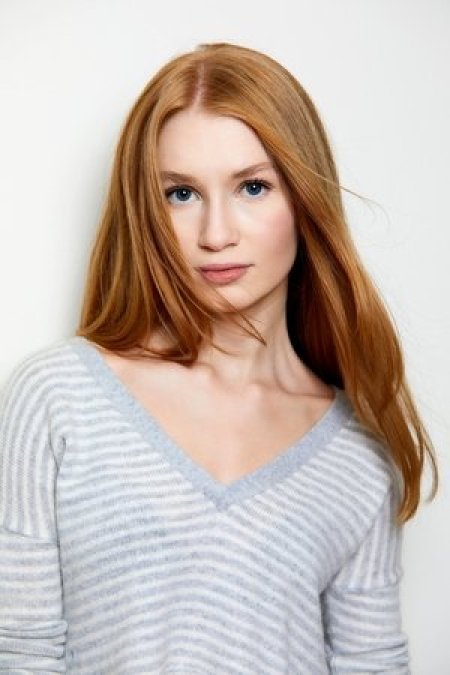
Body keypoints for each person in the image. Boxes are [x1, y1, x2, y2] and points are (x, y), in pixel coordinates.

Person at [0, 41, 439, 674]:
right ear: (146, 213)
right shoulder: (58, 397)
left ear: (305, 199)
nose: (215, 234)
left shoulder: (358, 454)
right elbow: (19, 649)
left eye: (253, 187)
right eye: (180, 194)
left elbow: (370, 663)